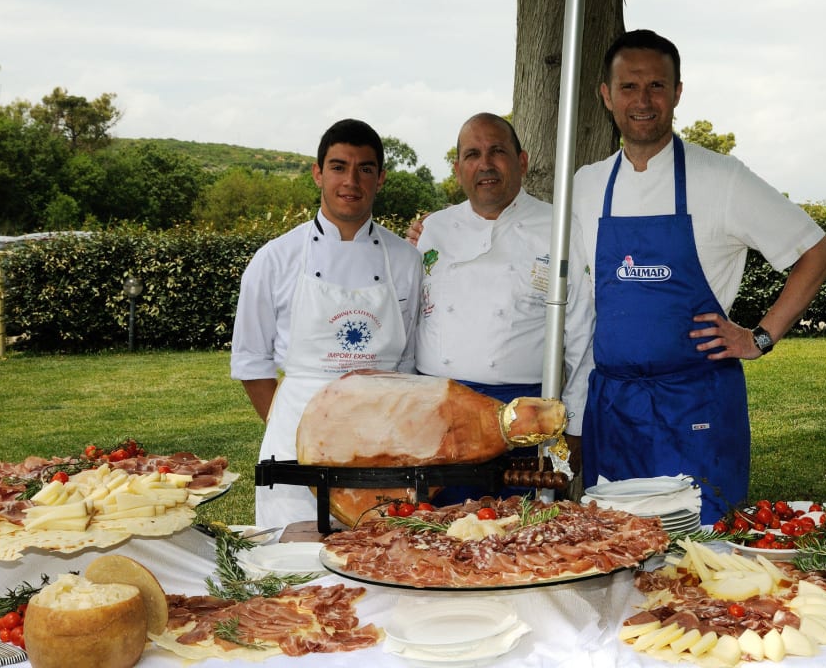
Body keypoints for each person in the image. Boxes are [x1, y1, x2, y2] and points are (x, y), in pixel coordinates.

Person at [573, 30, 826, 520]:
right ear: (606, 95)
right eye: (629, 87)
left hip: (696, 408)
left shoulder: (722, 179)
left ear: (677, 92)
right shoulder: (587, 185)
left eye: (657, 86)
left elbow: (816, 253)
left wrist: (760, 336)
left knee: (703, 558)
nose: (644, 100)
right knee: (613, 552)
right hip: (614, 411)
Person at [231, 118, 422, 526]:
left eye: (365, 169)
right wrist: (297, 429)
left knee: (380, 562)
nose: (350, 180)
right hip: (295, 445)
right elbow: (251, 361)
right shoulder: (275, 259)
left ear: (381, 178)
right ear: (318, 173)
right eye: (338, 166)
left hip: (381, 444)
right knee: (293, 573)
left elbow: (407, 363)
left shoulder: (405, 260)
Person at [413, 112, 594, 502]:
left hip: (526, 413)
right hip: (442, 418)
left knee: (523, 541)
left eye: (497, 151)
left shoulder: (560, 227)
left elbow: (581, 335)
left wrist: (575, 428)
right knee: (437, 536)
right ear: (458, 168)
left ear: (522, 161)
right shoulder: (433, 230)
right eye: (472, 154)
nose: (485, 164)